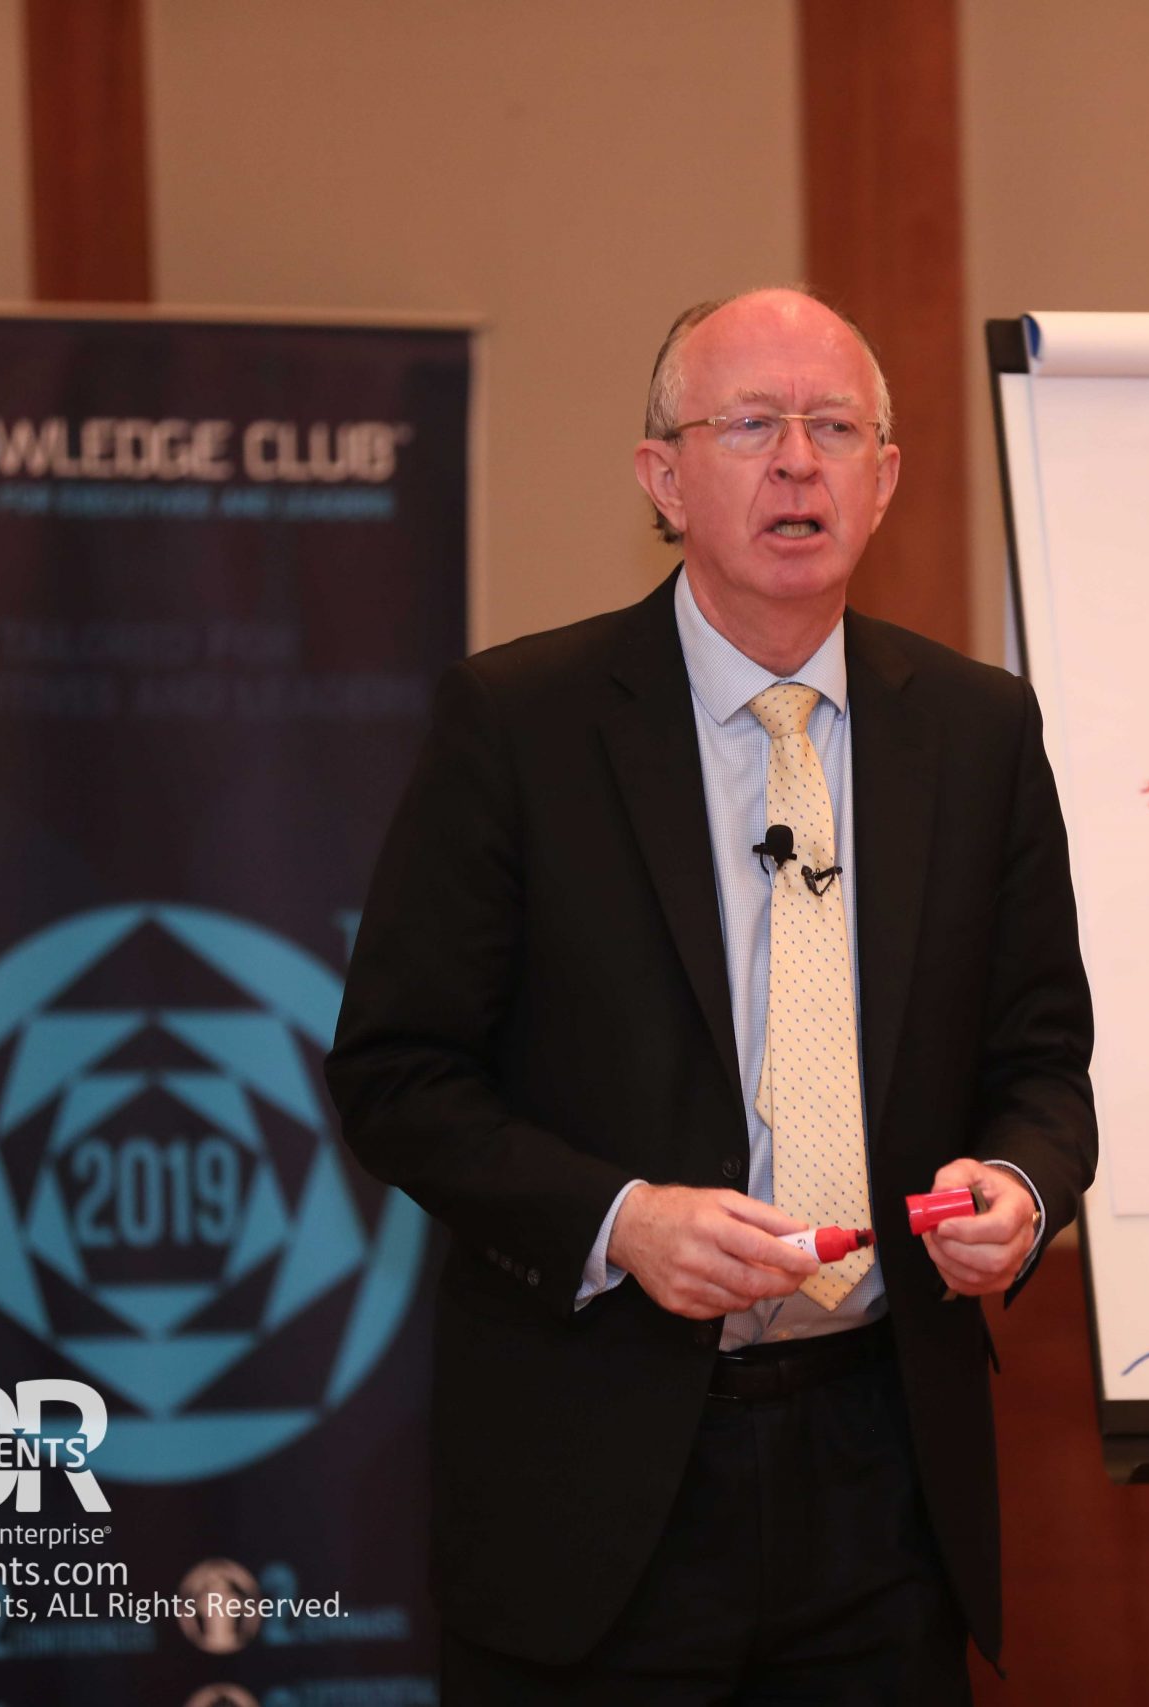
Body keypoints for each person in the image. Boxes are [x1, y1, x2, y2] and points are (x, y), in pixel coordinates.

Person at [326, 286, 1097, 1703]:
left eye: (834, 428)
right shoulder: (521, 724)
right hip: (600, 1480)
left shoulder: (978, 731)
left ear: (885, 479)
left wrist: (1022, 1190)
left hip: (884, 1476)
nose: (798, 461)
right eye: (750, 425)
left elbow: (1043, 1063)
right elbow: (396, 1075)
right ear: (663, 480)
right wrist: (622, 1222)